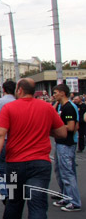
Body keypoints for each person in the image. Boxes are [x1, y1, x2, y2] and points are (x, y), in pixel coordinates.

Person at [0, 78, 67, 219]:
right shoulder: (47, 107)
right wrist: (44, 129)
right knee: (37, 204)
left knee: (14, 203)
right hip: (40, 163)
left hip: (15, 164)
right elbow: (62, 133)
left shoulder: (9, 108)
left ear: (19, 90)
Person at [51, 84, 82, 212]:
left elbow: (72, 127)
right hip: (60, 142)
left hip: (66, 144)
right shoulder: (61, 106)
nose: (54, 95)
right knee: (60, 171)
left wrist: (56, 128)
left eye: (55, 92)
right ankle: (66, 195)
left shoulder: (69, 108)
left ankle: (74, 201)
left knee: (67, 172)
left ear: (63, 93)